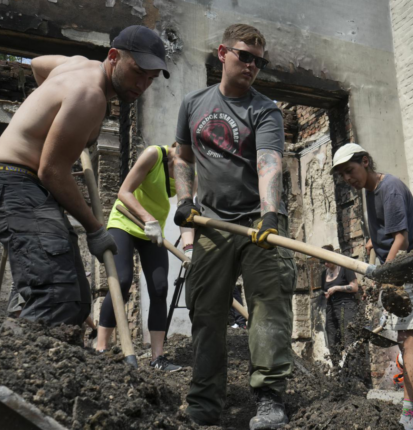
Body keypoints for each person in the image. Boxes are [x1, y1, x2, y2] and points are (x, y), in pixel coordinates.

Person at [0, 25, 168, 326]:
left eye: (150, 79)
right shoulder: (90, 96)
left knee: (76, 298)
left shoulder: (76, 64)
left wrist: (55, 119)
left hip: (22, 186)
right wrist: (94, 228)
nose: (142, 84)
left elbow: (38, 65)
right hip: (15, 184)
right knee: (55, 297)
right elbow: (52, 171)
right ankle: (28, 366)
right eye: (137, 71)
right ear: (113, 56)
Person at [171, 24, 295, 429]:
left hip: (258, 222)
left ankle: (269, 398)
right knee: (206, 312)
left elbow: (269, 162)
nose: (252, 66)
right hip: (211, 224)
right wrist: (185, 202)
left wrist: (270, 213)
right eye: (245, 56)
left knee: (269, 306)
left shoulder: (265, 109)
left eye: (259, 60)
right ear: (222, 53)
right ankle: (205, 401)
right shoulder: (193, 104)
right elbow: (184, 157)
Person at [332, 143, 413, 430]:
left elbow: (402, 239)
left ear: (365, 161)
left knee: (408, 339)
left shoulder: (390, 188)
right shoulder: (371, 193)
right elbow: (389, 235)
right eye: (343, 175)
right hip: (402, 272)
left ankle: (409, 418)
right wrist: (376, 243)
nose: (349, 179)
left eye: (351, 170)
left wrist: (384, 273)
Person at [95, 143, 182, 372]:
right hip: (125, 220)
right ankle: (101, 348)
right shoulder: (154, 154)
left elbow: (185, 211)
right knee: (121, 281)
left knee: (160, 287)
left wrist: (190, 247)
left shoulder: (191, 171)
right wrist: (147, 218)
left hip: (152, 230)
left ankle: (157, 358)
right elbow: (123, 192)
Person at [320, 245, 360, 355]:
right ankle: (336, 368)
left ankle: (353, 368)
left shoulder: (344, 267)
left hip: (346, 306)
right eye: (323, 262)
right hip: (331, 308)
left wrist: (336, 288)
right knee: (332, 340)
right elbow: (324, 290)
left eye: (327, 261)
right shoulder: (324, 274)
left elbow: (355, 287)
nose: (325, 264)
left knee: (349, 338)